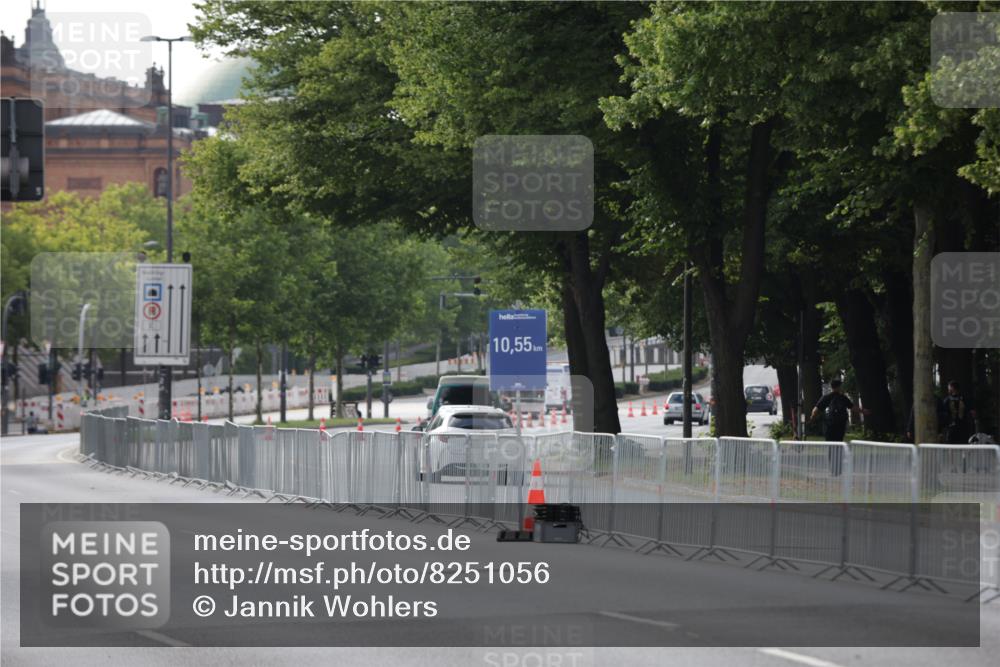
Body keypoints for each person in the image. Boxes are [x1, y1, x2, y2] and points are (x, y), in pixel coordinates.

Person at [810, 380, 861, 475]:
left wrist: (812, 418)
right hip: (840, 426)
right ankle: (838, 469)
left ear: (832, 387)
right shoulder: (843, 398)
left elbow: (816, 410)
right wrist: (863, 411)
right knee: (839, 446)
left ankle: (833, 470)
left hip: (830, 426)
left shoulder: (826, 397)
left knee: (831, 446)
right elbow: (853, 407)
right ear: (839, 387)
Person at [942, 380, 975, 445]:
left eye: (949, 387)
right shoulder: (947, 400)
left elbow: (972, 412)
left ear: (953, 387)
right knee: (951, 444)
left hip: (963, 427)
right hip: (952, 427)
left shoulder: (964, 398)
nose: (948, 389)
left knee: (963, 443)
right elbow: (944, 413)